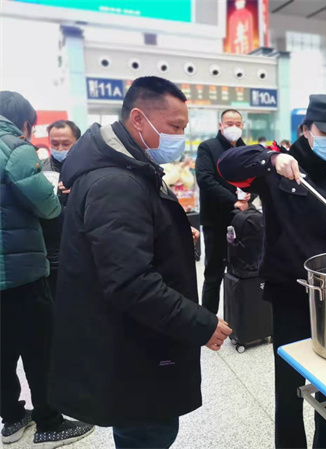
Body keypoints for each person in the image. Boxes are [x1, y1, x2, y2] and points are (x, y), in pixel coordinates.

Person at [49, 77, 232, 448]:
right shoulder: (116, 182)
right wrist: (202, 324)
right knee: (148, 434)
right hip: (132, 349)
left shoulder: (128, 168)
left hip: (132, 340)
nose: (180, 137)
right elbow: (130, 282)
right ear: (138, 119)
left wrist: (170, 233)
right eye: (175, 127)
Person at [218, 94, 326, 449]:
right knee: (290, 387)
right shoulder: (279, 168)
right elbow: (226, 165)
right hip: (291, 294)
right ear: (306, 129)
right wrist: (271, 158)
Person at [0, 91, 94, 447]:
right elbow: (47, 206)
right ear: (25, 123)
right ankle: (50, 423)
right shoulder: (16, 148)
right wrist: (55, 196)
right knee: (40, 347)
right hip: (20, 268)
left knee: (2, 350)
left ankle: (11, 418)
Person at [195, 109, 250, 314]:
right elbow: (205, 180)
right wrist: (233, 201)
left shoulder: (246, 149)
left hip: (243, 221)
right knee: (214, 273)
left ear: (242, 126)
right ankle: (208, 319)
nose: (234, 127)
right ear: (221, 125)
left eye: (238, 124)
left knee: (244, 271)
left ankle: (241, 318)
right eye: (229, 124)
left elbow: (256, 178)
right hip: (216, 220)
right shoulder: (208, 147)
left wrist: (249, 196)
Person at [41, 119, 82, 299]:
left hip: (80, 252)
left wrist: (81, 189)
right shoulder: (39, 170)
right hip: (48, 254)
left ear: (78, 142)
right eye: (54, 143)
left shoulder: (88, 171)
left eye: (66, 144)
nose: (59, 148)